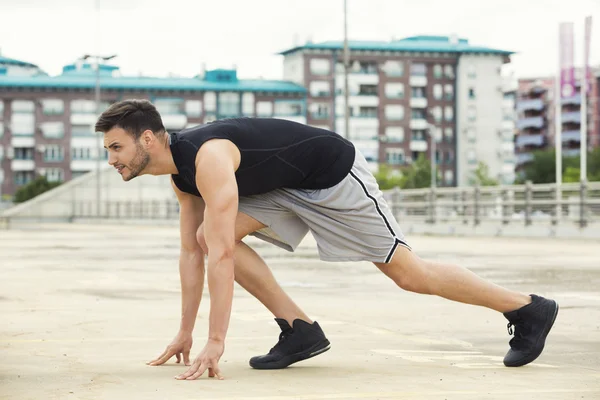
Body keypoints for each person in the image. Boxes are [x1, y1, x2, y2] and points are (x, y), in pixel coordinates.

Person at [95, 99, 559, 381]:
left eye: (117, 147)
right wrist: (185, 331)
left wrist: (215, 341)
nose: (112, 159)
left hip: (332, 177)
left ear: (150, 140)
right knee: (203, 236)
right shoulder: (183, 178)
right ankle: (300, 331)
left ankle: (526, 307)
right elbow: (192, 254)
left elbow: (219, 256)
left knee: (409, 274)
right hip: (284, 188)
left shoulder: (209, 159)